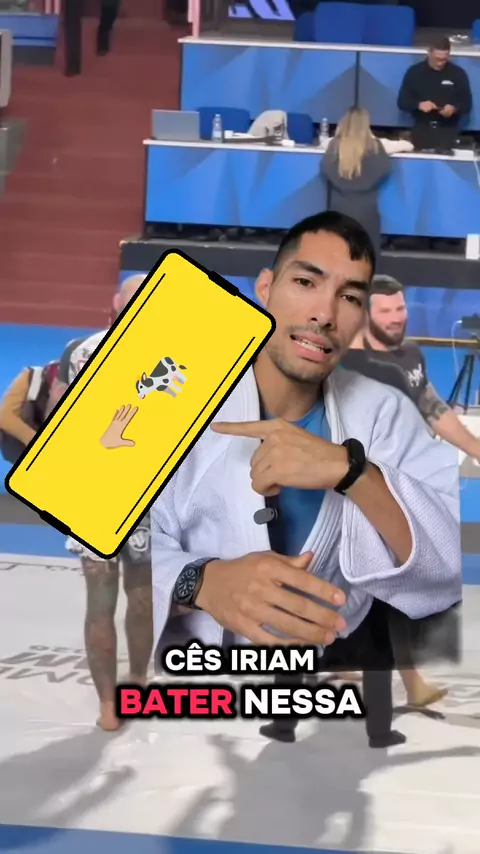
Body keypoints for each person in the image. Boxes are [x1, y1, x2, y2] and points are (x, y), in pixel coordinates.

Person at [151, 211, 461, 749]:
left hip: (333, 670)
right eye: (305, 282)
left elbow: (447, 560)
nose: (324, 314)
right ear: (265, 288)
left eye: (350, 296)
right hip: (195, 691)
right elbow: (104, 547)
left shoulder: (382, 412)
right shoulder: (174, 397)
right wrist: (198, 582)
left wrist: (354, 473)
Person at [60, 274, 154, 732]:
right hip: (105, 490)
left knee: (132, 598)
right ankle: (119, 694)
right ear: (116, 304)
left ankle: (124, 691)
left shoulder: (87, 351)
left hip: (132, 489)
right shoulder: (88, 353)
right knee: (118, 598)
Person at [342, 275, 480, 463]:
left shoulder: (410, 353)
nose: (396, 318)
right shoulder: (349, 366)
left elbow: (429, 405)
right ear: (364, 315)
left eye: (400, 309)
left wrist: (475, 448)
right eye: (385, 311)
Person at [321, 108, 404, 263]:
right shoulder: (376, 146)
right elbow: (386, 168)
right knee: (366, 257)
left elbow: (325, 169)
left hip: (339, 209)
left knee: (338, 255)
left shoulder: (333, 145)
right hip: (367, 210)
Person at [397, 36, 472, 130]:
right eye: (437, 59)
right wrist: (419, 105)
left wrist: (454, 108)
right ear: (429, 52)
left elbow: (466, 103)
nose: (440, 63)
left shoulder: (458, 73)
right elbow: (402, 102)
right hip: (422, 126)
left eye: (444, 59)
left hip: (449, 127)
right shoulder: (414, 72)